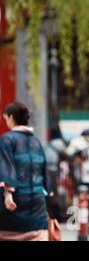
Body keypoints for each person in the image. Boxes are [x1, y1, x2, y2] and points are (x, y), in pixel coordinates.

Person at [0, 102, 51, 241]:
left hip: (15, 206)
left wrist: (7, 194)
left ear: (11, 117)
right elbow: (44, 171)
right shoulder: (36, 141)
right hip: (38, 206)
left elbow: (6, 167)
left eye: (5, 118)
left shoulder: (7, 139)